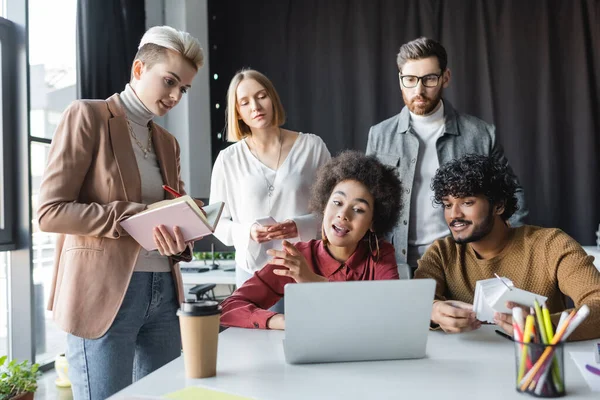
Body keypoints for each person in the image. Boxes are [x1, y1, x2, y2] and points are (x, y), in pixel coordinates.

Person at [37, 26, 204, 399]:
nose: (176, 95)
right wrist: (129, 216)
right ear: (139, 70)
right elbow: (50, 212)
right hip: (104, 293)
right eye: (170, 81)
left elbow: (169, 211)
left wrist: (182, 234)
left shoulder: (167, 142)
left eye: (184, 88)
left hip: (163, 294)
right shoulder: (87, 117)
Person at [366, 37, 528, 278]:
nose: (418, 90)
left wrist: (511, 253)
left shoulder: (481, 134)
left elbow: (512, 193)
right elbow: (364, 199)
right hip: (394, 260)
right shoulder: (379, 134)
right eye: (409, 80)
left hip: (462, 259)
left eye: (429, 79)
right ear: (400, 79)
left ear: (446, 77)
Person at [414, 154, 600, 341]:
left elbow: (597, 303)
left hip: (534, 364)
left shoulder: (551, 244)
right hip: (462, 367)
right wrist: (433, 310)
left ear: (499, 206)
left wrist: (548, 326)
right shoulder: (441, 253)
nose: (454, 214)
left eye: (467, 202)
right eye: (447, 205)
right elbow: (413, 305)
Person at [220, 150, 403, 329]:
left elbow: (391, 311)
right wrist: (283, 321)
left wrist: (312, 281)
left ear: (373, 222)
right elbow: (230, 307)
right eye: (337, 203)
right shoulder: (296, 257)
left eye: (358, 210)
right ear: (324, 206)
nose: (343, 215)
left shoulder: (380, 254)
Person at [209, 69, 331, 298]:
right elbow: (215, 222)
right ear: (237, 112)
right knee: (257, 333)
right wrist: (248, 232)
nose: (255, 106)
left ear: (272, 98)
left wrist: (299, 225)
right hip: (253, 273)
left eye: (261, 96)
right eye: (245, 102)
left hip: (307, 269)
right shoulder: (228, 160)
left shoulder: (312, 147)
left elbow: (334, 212)